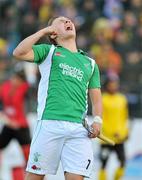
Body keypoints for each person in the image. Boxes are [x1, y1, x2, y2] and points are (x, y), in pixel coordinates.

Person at [13, 16, 102, 180]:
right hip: (49, 123)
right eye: (61, 21)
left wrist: (97, 120)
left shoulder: (90, 63)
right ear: (53, 34)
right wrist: (43, 31)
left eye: (69, 20)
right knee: (34, 177)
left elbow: (96, 98)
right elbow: (19, 52)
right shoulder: (49, 51)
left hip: (78, 129)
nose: (68, 22)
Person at [0, 71, 31, 178]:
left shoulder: (24, 89)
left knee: (29, 153)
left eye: (18, 80)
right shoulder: (5, 87)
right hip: (9, 124)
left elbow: (32, 87)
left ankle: (36, 175)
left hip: (21, 126)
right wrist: (7, 120)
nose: (15, 81)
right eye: (14, 78)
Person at [98, 76, 129, 180]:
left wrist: (125, 132)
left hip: (119, 138)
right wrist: (111, 132)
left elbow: (124, 117)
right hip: (106, 138)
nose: (114, 86)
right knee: (103, 164)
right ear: (107, 86)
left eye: (115, 84)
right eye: (111, 84)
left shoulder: (122, 99)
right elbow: (101, 118)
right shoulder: (103, 98)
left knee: (123, 162)